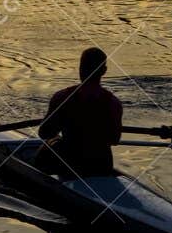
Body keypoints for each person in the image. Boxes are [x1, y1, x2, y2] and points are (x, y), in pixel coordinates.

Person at [36, 46, 122, 181]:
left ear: (80, 69)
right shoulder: (114, 103)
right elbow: (114, 140)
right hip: (102, 165)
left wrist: (59, 136)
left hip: (71, 165)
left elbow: (44, 133)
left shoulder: (61, 97)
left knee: (50, 144)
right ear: (104, 71)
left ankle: (36, 178)